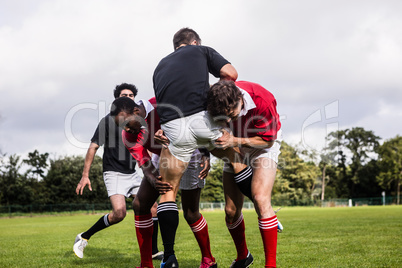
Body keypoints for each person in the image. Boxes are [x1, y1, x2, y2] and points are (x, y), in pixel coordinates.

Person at [152, 27, 241, 268]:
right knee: (237, 158)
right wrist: (218, 95)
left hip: (173, 129)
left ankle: (169, 257)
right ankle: (266, 209)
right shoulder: (201, 50)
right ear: (194, 41)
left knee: (168, 192)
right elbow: (230, 74)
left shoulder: (159, 66)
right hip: (204, 120)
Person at [111, 96, 217, 268]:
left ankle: (208, 259)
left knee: (191, 212)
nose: (127, 129)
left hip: (191, 152)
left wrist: (205, 152)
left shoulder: (161, 103)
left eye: (128, 124)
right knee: (140, 205)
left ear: (137, 112)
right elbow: (145, 165)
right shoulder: (128, 136)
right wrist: (154, 180)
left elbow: (194, 120)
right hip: (161, 156)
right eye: (123, 127)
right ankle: (146, 263)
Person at [73, 83, 163, 261]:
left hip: (132, 173)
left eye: (131, 95)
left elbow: (145, 145)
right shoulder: (107, 121)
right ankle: (84, 237)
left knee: (153, 207)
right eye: (124, 95)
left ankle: (153, 251)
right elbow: (93, 147)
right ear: (117, 100)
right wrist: (85, 176)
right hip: (113, 172)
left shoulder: (139, 119)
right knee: (120, 213)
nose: (128, 97)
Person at [206, 80, 282, 268]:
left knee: (260, 198)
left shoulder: (263, 99)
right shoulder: (212, 101)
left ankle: (270, 265)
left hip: (261, 145)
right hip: (233, 145)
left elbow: (268, 142)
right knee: (231, 212)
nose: (230, 121)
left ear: (240, 99)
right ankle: (243, 257)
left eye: (232, 115)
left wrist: (234, 140)